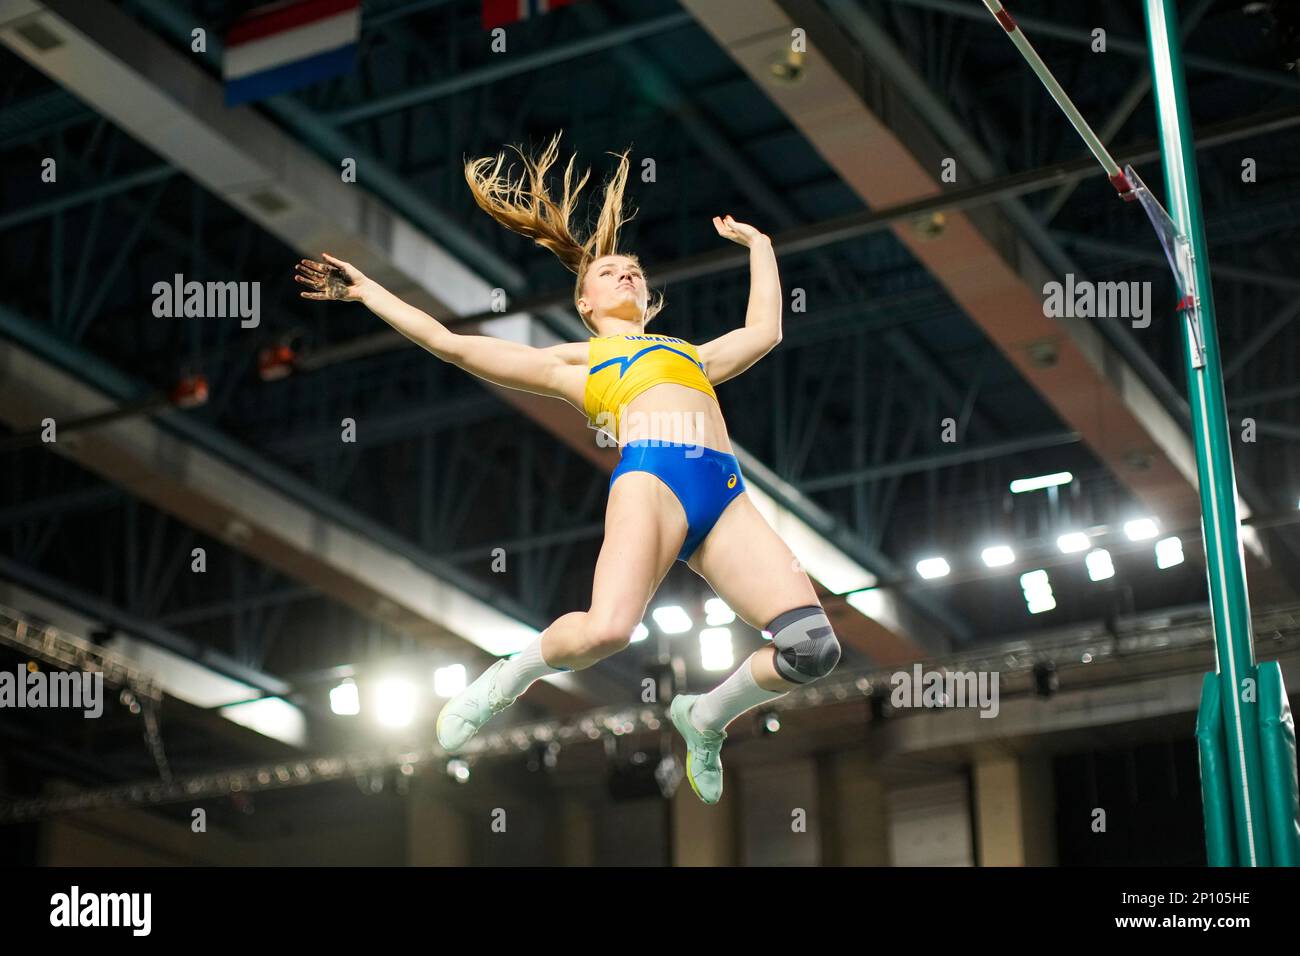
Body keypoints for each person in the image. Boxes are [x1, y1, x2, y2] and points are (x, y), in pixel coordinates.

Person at [294, 133, 840, 804]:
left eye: (635, 269)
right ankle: (508, 677)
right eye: (611, 272)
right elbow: (450, 344)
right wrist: (368, 293)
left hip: (725, 495)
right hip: (654, 481)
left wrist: (760, 248)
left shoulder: (690, 353)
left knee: (812, 650)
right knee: (609, 629)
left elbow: (764, 334)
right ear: (585, 305)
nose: (628, 275)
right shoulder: (573, 364)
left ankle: (705, 717)